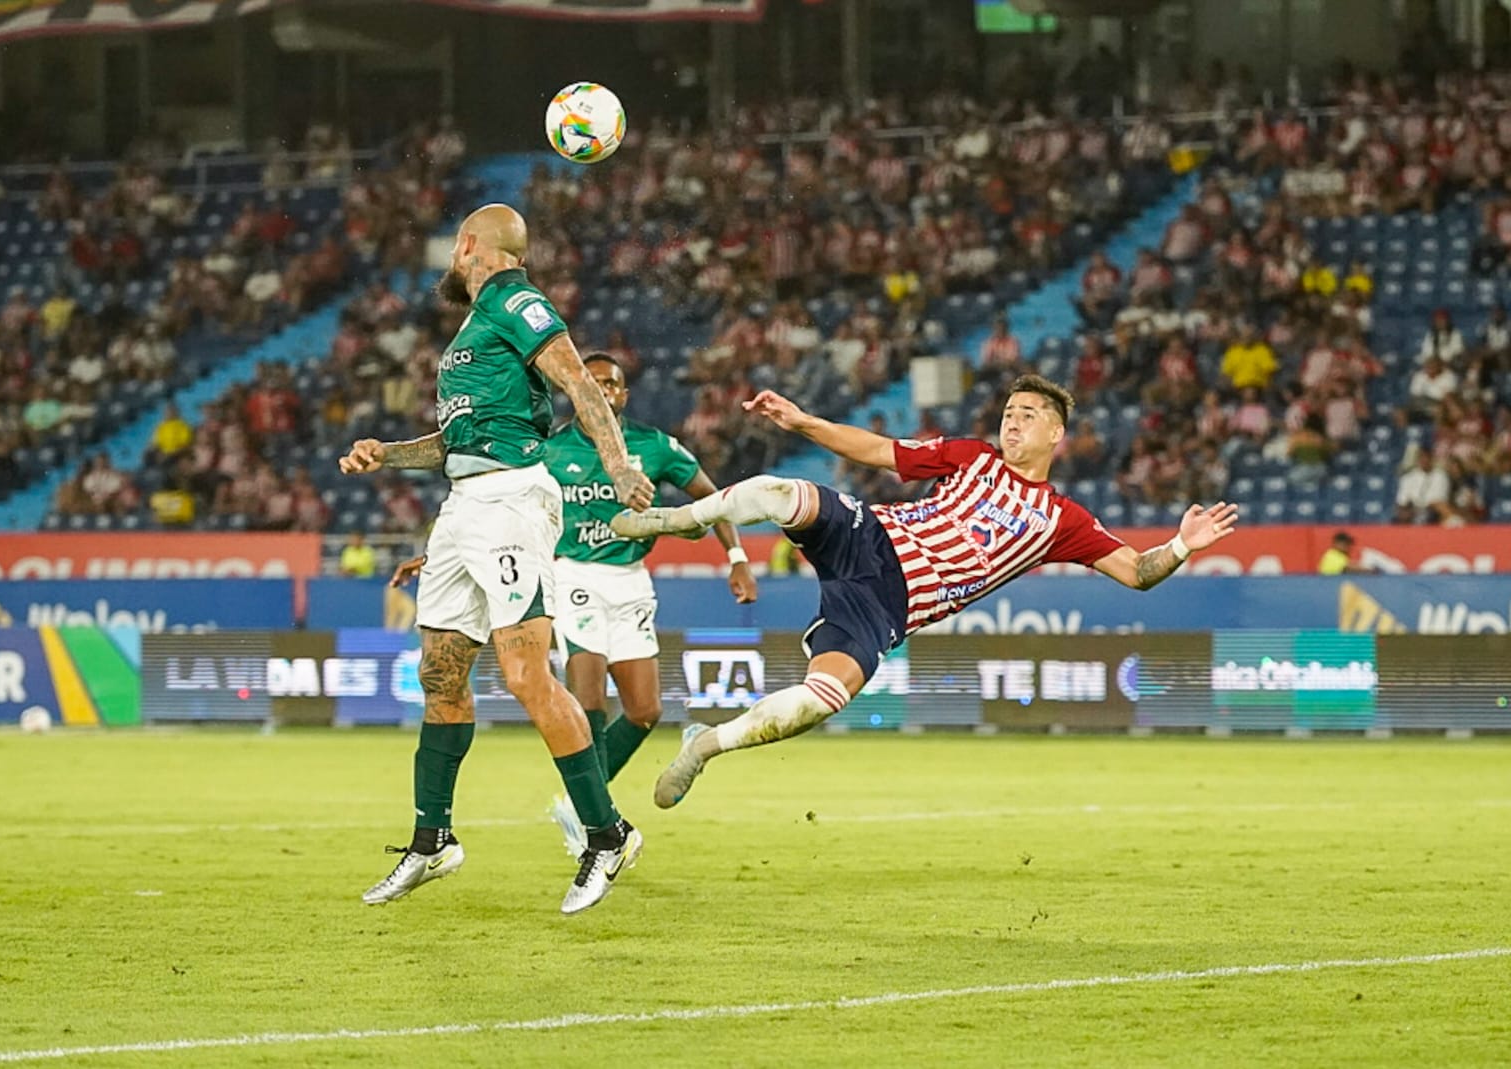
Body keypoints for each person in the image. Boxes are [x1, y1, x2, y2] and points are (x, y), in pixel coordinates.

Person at [610, 374, 1238, 809]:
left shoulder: (1062, 521)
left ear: (1056, 437)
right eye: (1009, 413)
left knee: (820, 700)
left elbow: (1136, 571)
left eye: (1029, 415)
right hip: (870, 536)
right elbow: (880, 450)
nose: (1013, 422)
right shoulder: (972, 457)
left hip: (888, 605)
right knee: (780, 492)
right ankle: (673, 521)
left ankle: (706, 746)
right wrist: (803, 422)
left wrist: (1182, 545)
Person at [338, 203, 655, 915]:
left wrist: (620, 465)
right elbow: (454, 446)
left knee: (522, 671)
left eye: (455, 247)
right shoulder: (473, 331)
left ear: (468, 246)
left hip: (512, 499)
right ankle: (433, 839)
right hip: (463, 506)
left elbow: (578, 381)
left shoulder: (516, 298)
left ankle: (606, 833)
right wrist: (389, 453)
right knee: (440, 672)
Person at [392, 352, 759, 857]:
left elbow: (711, 497)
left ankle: (582, 800)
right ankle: (594, 817)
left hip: (630, 580)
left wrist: (736, 557)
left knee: (645, 710)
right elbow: (494, 513)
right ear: (577, 388)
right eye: (595, 382)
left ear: (624, 395)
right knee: (587, 698)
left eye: (613, 384)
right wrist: (436, 556)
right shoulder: (546, 449)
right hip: (570, 575)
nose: (604, 391)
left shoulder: (654, 447)